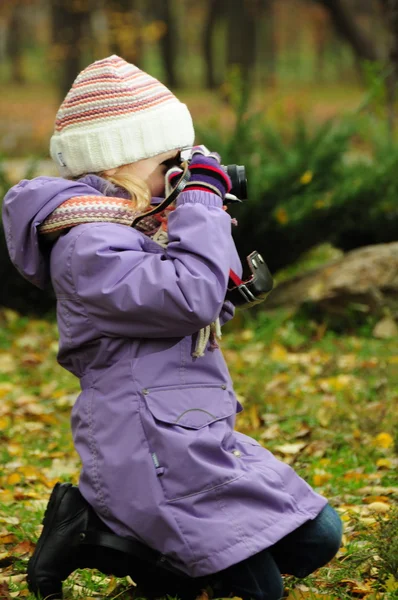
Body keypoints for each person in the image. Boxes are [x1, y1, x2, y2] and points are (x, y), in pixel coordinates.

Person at [3, 55, 342, 600]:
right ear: (120, 164)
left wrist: (204, 225)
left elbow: (203, 302)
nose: (180, 176)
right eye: (171, 162)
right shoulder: (87, 245)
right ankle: (105, 526)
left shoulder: (141, 230)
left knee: (319, 536)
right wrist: (200, 204)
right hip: (147, 445)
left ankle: (110, 536)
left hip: (193, 427)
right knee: (260, 590)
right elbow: (189, 296)